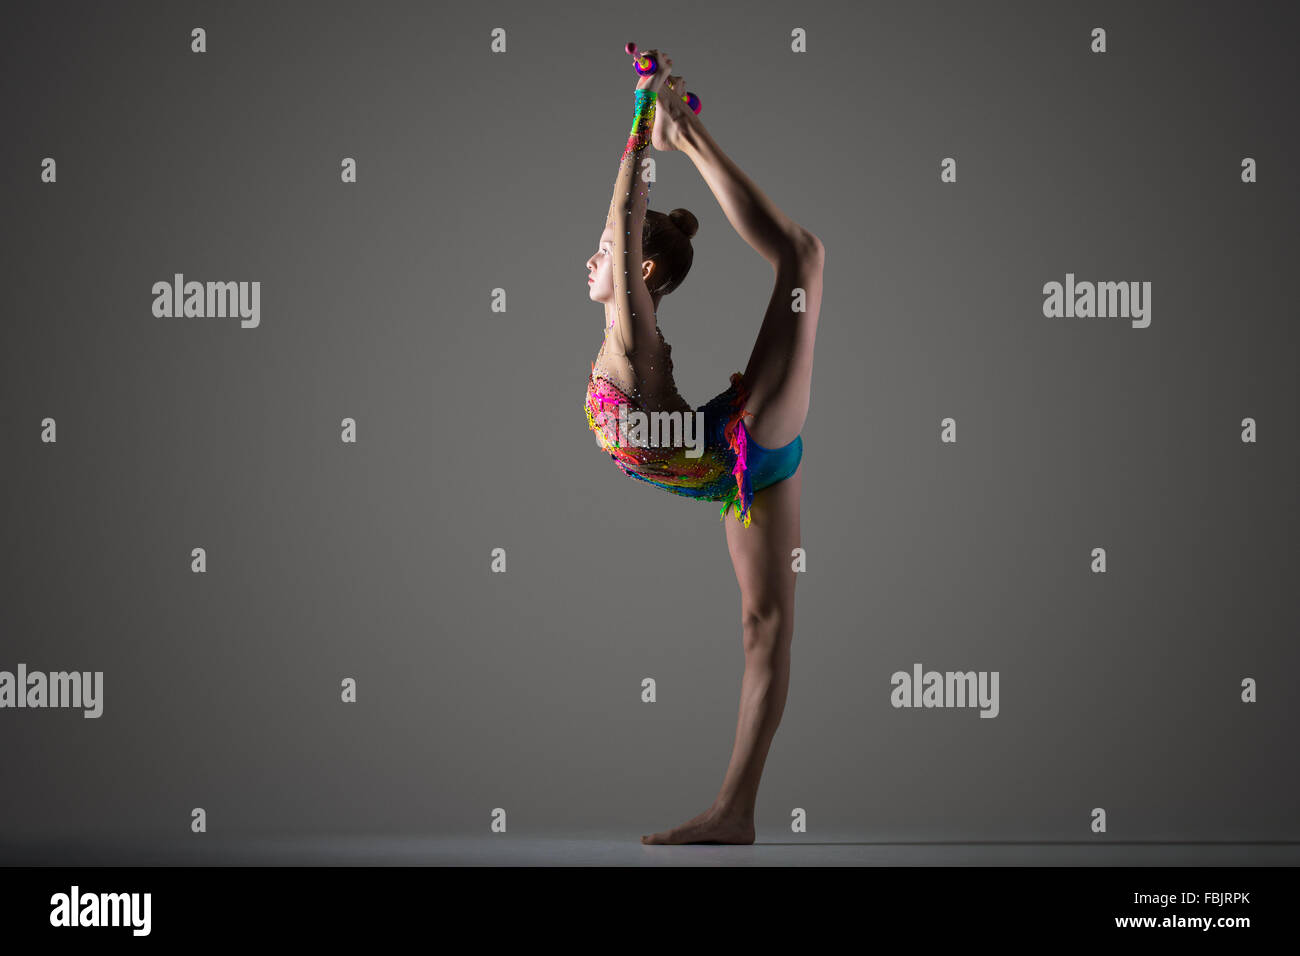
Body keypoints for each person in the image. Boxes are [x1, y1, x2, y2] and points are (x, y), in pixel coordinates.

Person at [584, 50, 825, 844]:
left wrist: (644, 118)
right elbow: (623, 229)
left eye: (608, 252)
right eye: (602, 248)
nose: (592, 258)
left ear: (641, 268)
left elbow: (626, 214)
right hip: (731, 476)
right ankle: (737, 813)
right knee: (764, 628)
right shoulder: (618, 342)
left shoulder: (632, 337)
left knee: (804, 257)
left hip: (746, 439)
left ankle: (688, 134)